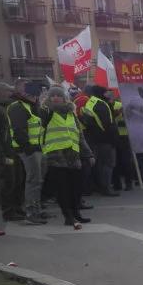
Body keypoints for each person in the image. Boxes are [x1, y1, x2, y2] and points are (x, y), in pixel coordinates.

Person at [39, 87, 90, 228]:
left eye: (58, 95)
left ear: (64, 98)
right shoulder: (47, 112)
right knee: (63, 189)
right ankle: (68, 216)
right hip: (55, 155)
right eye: (52, 95)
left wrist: (88, 153)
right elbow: (41, 119)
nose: (55, 97)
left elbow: (80, 136)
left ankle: (76, 213)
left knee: (76, 187)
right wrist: (43, 103)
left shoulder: (71, 113)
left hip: (73, 155)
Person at [0, 82, 24, 228]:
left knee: (17, 180)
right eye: (7, 91)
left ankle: (17, 208)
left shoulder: (9, 107)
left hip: (13, 150)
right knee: (8, 181)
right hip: (4, 153)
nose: (10, 93)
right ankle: (8, 211)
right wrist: (1, 155)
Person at [82, 85, 118, 197]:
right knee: (108, 164)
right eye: (107, 91)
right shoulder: (101, 104)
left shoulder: (91, 102)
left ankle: (96, 187)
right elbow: (108, 123)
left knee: (99, 164)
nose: (109, 93)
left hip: (93, 139)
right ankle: (106, 188)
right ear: (102, 93)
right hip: (105, 139)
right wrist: (114, 139)